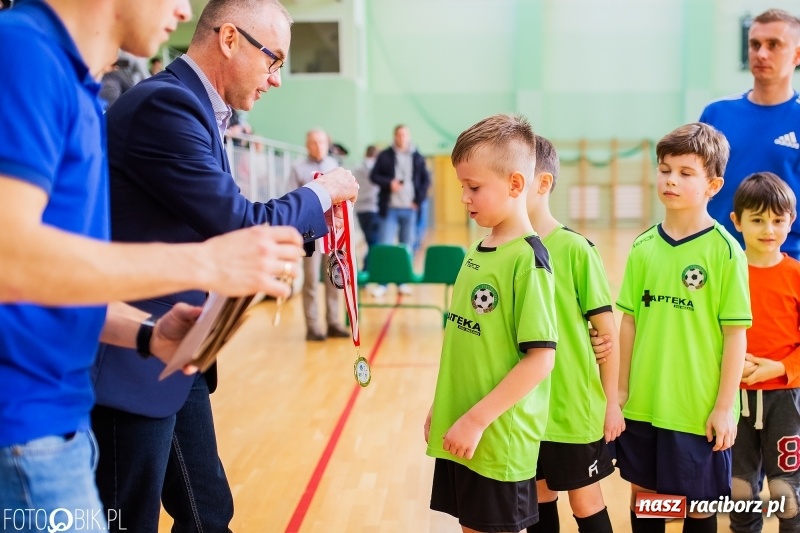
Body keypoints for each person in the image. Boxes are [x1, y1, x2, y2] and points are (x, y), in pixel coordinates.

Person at [0, 0, 307, 529]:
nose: (184, 8)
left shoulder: (76, 83)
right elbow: (12, 260)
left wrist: (144, 333)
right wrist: (206, 261)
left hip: (64, 411)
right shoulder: (25, 52)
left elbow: (51, 281)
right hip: (28, 423)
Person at [91, 1, 359, 531]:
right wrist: (319, 194)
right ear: (230, 39)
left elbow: (218, 224)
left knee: (209, 513)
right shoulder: (165, 105)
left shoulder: (192, 109)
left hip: (175, 351)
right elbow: (238, 223)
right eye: (274, 60)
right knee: (130, 519)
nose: (276, 80)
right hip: (129, 356)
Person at [424, 114, 558, 533]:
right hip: (463, 427)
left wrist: (477, 420)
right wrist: (443, 406)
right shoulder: (478, 248)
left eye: (474, 187)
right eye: (462, 186)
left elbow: (540, 361)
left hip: (496, 439)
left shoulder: (527, 260)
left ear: (516, 184)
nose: (464, 197)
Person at [615, 122, 751, 533]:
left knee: (699, 507)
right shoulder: (642, 247)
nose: (670, 179)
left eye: (685, 173)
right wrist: (620, 391)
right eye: (664, 169)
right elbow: (629, 322)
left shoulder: (725, 251)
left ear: (713, 185)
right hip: (645, 404)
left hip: (697, 410)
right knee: (648, 501)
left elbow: (735, 335)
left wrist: (725, 408)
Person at [525, 136, 623, 533]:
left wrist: (611, 403)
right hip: (527, 410)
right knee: (537, 496)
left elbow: (607, 333)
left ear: (542, 183)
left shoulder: (576, 249)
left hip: (573, 411)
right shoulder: (506, 249)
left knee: (585, 500)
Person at [728, 172, 800, 533]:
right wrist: (729, 366)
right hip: (732, 396)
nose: (768, 229)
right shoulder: (726, 273)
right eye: (757, 220)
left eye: (777, 220)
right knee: (740, 492)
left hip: (785, 400)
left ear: (792, 220)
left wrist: (780, 367)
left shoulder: (796, 275)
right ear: (737, 221)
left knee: (788, 496)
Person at [699, 8, 800, 259]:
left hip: (785, 260)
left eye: (773, 45)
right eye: (755, 44)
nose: (761, 53)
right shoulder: (716, 114)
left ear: (797, 54)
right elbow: (697, 186)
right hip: (719, 257)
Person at [290, 128, 350, 341]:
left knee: (334, 277)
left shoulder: (335, 167)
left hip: (332, 232)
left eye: (322, 142)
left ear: (327, 144)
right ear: (308, 145)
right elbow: (291, 198)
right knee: (311, 281)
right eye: (314, 143)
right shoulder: (297, 167)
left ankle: (334, 322)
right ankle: (313, 327)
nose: (318, 146)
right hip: (310, 232)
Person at [371, 124, 430, 294]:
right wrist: (389, 184)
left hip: (409, 208)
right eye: (399, 135)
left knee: (407, 246)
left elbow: (425, 181)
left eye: (405, 135)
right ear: (394, 136)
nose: (402, 138)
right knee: (385, 246)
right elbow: (374, 176)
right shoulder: (385, 155)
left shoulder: (417, 157)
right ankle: (382, 283)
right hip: (389, 208)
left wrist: (417, 201)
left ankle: (401, 281)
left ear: (409, 136)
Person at [353, 145, 382, 272]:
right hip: (373, 208)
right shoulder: (376, 169)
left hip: (360, 209)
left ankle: (367, 270)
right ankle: (367, 270)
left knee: (370, 240)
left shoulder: (356, 168)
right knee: (374, 243)